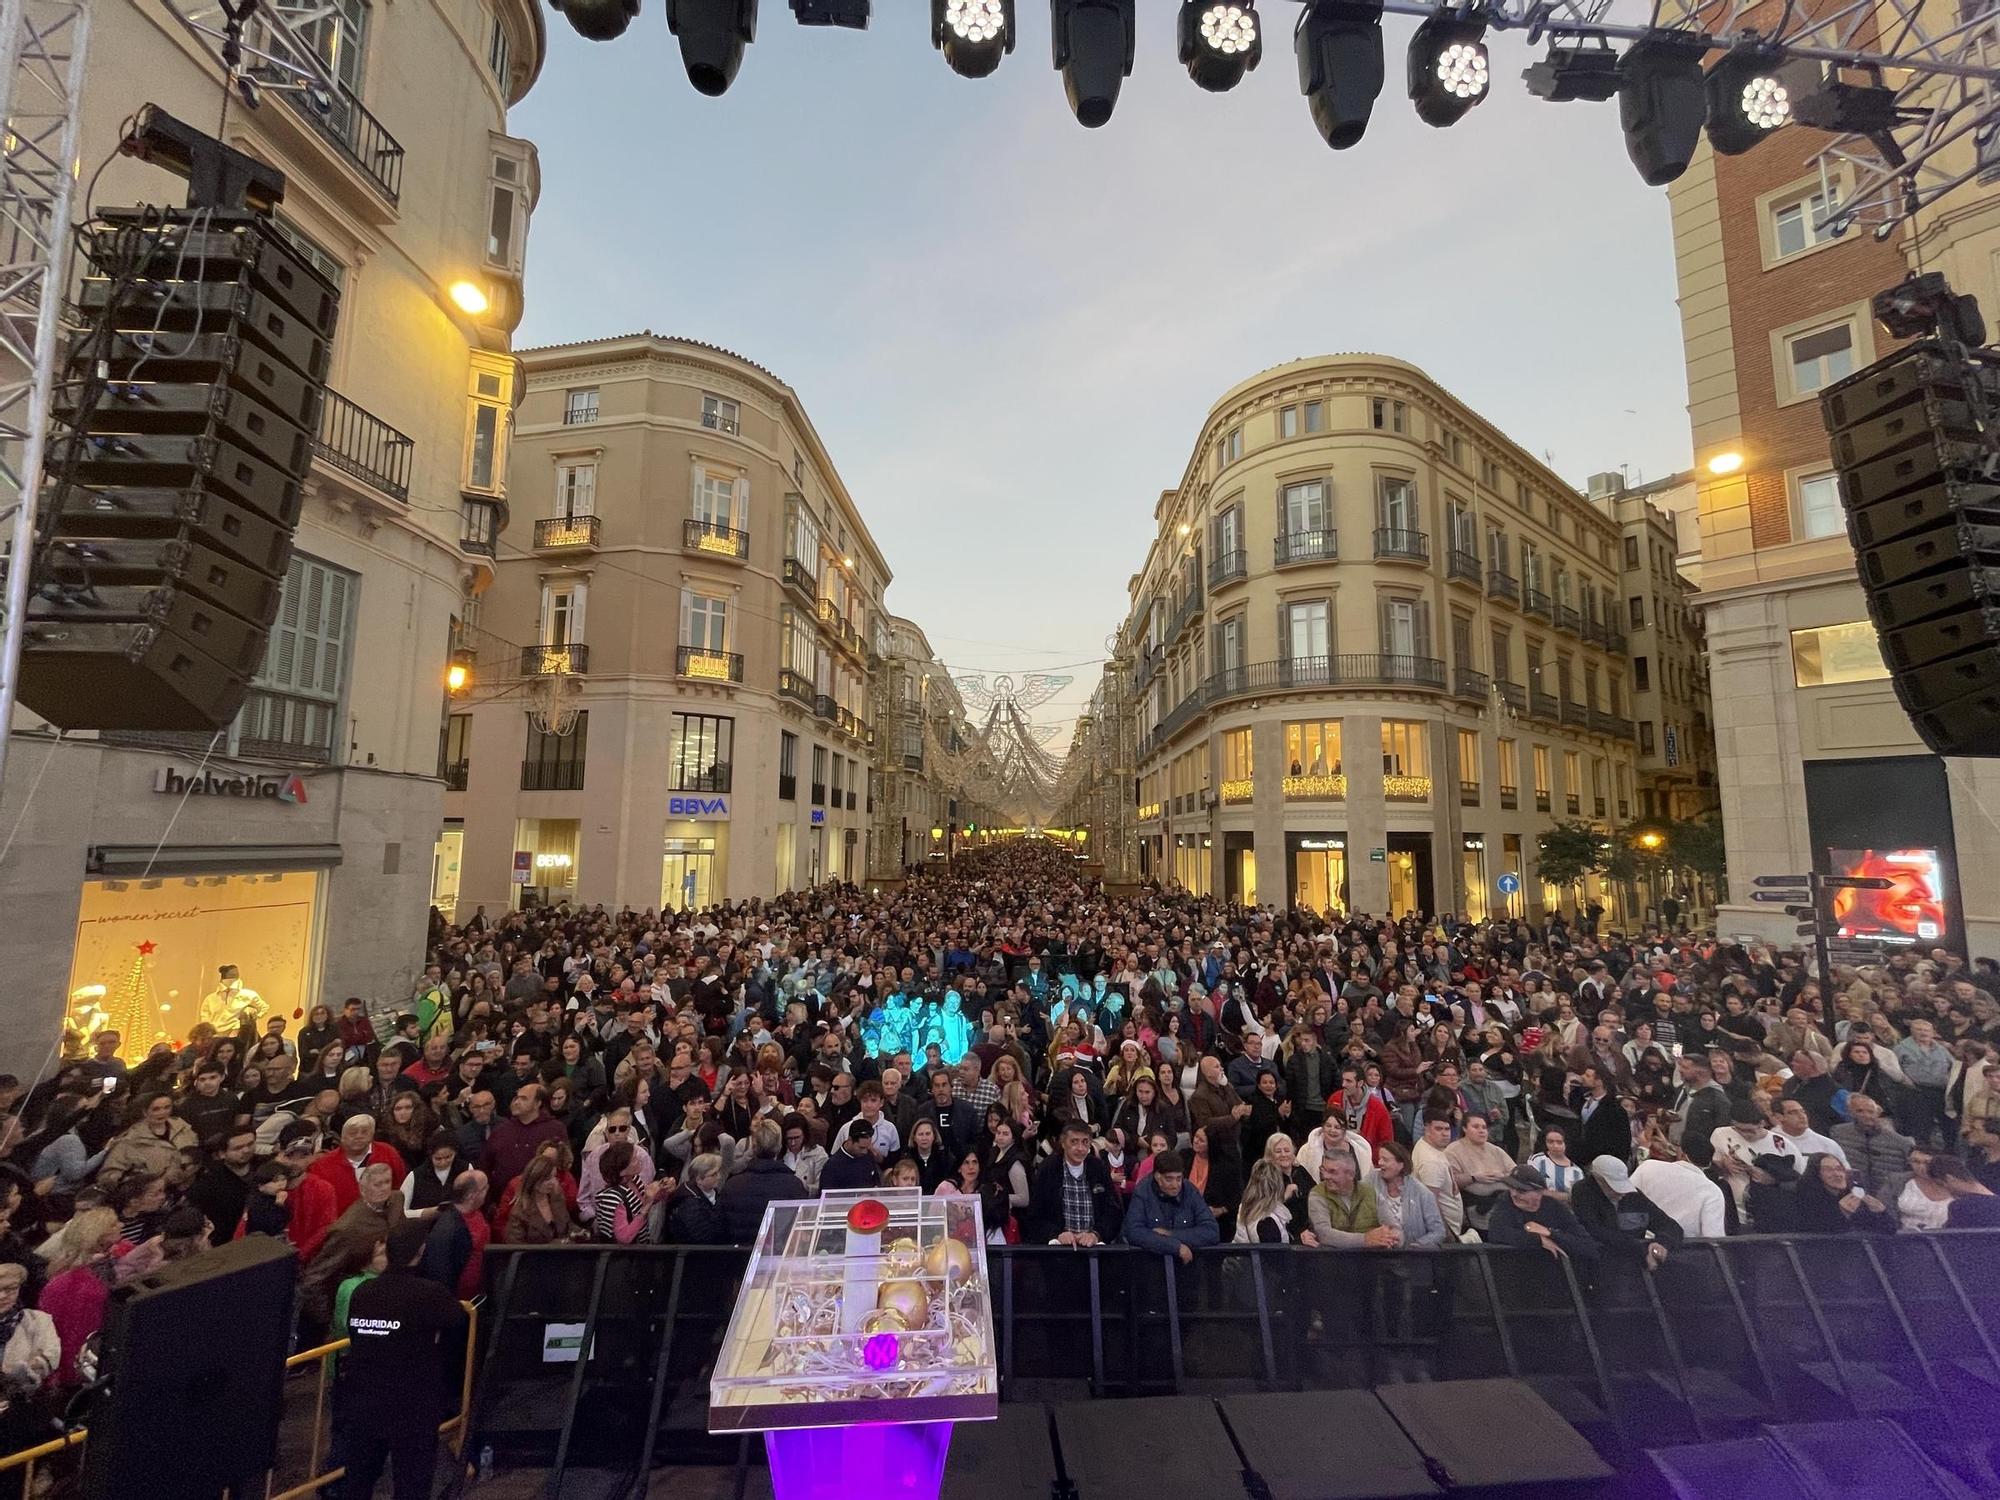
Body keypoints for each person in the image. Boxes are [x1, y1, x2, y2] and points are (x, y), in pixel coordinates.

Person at [335, 1219, 468, 1500]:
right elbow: (457, 1320)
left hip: (365, 1400)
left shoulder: (362, 1292)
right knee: (411, 1483)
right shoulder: (428, 1293)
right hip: (412, 1405)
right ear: (420, 1253)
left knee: (358, 1481)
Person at [1572, 1156, 1683, 1268]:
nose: (1621, 1193)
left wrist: (1662, 1244)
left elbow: (1670, 1226)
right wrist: (1641, 1250)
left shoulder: (1634, 1198)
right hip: (1601, 1267)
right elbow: (1596, 1231)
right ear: (1598, 1180)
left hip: (1637, 1268)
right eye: (1613, 1187)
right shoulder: (1583, 1194)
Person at [1027, 1121, 1121, 1246]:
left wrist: (1096, 1234)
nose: (1080, 1148)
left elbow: (1113, 1211)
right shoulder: (1048, 1169)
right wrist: (1056, 1234)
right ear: (1063, 1143)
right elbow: (1035, 1215)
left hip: (1094, 1249)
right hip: (1058, 1250)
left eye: (1085, 1142)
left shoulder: (1098, 1167)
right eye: (1074, 1142)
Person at [1485, 1164, 1598, 1263]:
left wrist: (1550, 1233)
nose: (1514, 1194)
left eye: (1521, 1191)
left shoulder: (1554, 1207)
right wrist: (1538, 1239)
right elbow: (1497, 1232)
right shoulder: (1505, 1201)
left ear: (1539, 1193)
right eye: (1511, 1188)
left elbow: (1587, 1245)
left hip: (1555, 1273)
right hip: (1516, 1270)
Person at [718, 1120, 809, 1244]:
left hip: (737, 1257)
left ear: (754, 1147)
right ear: (779, 1147)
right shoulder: (793, 1186)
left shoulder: (732, 1185)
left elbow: (721, 1227)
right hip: (778, 1257)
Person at [1122, 1149, 1219, 1261]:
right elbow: (1134, 1232)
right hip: (1152, 1264)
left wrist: (1170, 1234)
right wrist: (1174, 1247)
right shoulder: (1143, 1192)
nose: (1175, 1185)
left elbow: (1211, 1231)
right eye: (1169, 1179)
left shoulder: (1190, 1191)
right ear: (1158, 1177)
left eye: (1179, 1179)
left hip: (1187, 1266)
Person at [1630, 1135, 1726, 1239]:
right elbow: (1713, 1238)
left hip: (1638, 1244)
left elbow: (1622, 1198)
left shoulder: (1648, 1167)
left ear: (1682, 1154)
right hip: (1683, 1251)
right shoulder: (1713, 1191)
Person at [1792, 1152, 1895, 1234]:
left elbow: (1889, 1230)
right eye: (1828, 1170)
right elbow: (1820, 1231)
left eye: (1839, 1169)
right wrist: (1842, 1212)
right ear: (1816, 1174)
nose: (1837, 1174)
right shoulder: (1805, 1199)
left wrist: (1881, 1212)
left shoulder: (1849, 1198)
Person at [1372, 1140, 1446, 1248]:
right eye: (1380, 1159)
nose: (1380, 1163)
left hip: (1411, 1256)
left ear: (1400, 1165)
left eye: (1385, 1160)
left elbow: (1438, 1231)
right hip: (1374, 1253)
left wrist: (1416, 1246)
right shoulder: (1370, 1181)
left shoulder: (1422, 1193)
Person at [1928, 1155, 2000, 1228]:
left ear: (1949, 1178)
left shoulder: (1960, 1206)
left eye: (1941, 1184)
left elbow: (1952, 1236)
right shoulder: (1996, 1199)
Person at [819, 1119, 885, 1194]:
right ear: (850, 1140)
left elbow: (875, 1181)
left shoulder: (868, 1156)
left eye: (867, 1147)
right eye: (861, 1147)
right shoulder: (832, 1166)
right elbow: (828, 1197)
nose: (865, 1151)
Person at [1527, 1127, 1585, 1203]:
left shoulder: (1577, 1171)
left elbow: (1577, 1197)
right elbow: (1530, 1185)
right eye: (1550, 1142)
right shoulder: (1537, 1160)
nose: (1555, 1146)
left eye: (1559, 1142)